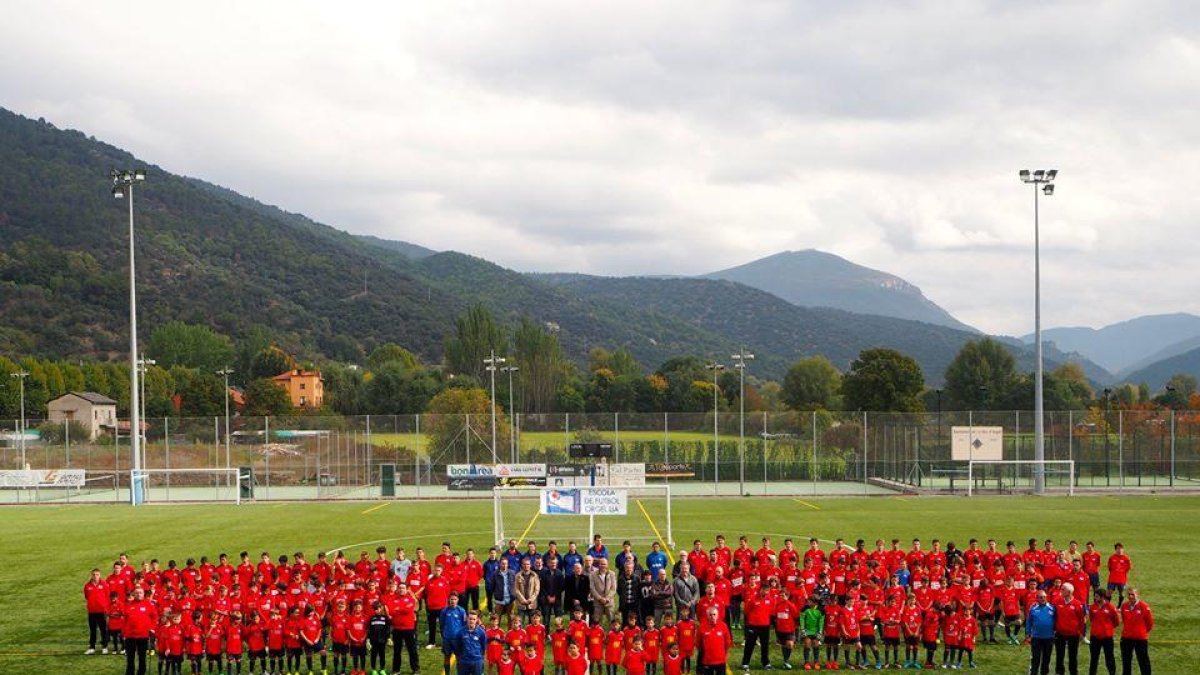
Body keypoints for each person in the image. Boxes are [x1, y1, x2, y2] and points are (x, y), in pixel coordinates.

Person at [123, 586, 158, 675]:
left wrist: (152, 628)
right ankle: (130, 673)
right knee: (130, 657)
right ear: (133, 594)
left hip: (143, 635)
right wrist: (124, 632)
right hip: (130, 635)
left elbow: (155, 617)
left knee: (142, 657)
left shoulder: (148, 604)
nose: (138, 594)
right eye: (137, 593)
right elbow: (124, 619)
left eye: (140, 593)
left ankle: (141, 672)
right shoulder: (128, 605)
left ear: (143, 594)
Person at [1054, 583, 1087, 675]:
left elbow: (1082, 620)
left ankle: (1073, 672)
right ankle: (1059, 672)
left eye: (1063, 589)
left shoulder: (1078, 604)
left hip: (1073, 634)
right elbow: (1053, 616)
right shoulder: (1057, 602)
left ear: (1069, 592)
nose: (1061, 591)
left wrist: (1082, 633)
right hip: (1060, 633)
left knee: (1073, 656)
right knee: (1059, 655)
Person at [1118, 588, 1152, 675]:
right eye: (1129, 594)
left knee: (1143, 661)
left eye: (1132, 594)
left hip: (1140, 639)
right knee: (1126, 661)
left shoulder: (1144, 606)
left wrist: (1141, 632)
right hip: (1126, 638)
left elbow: (1149, 623)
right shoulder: (1124, 606)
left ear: (1137, 595)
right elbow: (1124, 620)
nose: (1130, 596)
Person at [1088, 589, 1119, 675]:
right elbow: (1091, 619)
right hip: (1094, 637)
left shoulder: (1111, 607)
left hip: (1107, 638)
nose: (1095, 598)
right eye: (1095, 596)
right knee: (1094, 659)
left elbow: (1116, 621)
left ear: (1102, 597)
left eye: (1097, 596)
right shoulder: (1092, 607)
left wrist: (1107, 629)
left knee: (1109, 658)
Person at [1027, 590, 1057, 675]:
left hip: (1049, 638)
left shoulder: (1052, 608)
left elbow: (1057, 621)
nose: (1043, 599)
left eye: (1044, 597)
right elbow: (1029, 622)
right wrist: (1028, 634)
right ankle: (1034, 672)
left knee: (1046, 659)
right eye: (1041, 597)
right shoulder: (1033, 609)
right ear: (1037, 598)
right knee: (1035, 658)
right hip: (1036, 638)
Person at [698, 606, 732, 675]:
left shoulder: (723, 626)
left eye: (714, 614)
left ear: (717, 615)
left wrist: (723, 653)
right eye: (710, 615)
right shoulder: (702, 627)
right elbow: (698, 643)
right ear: (707, 616)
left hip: (721, 660)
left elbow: (728, 641)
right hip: (707, 660)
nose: (712, 616)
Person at [84, 568, 111, 655]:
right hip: (92, 612)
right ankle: (92, 647)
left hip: (102, 611)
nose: (95, 576)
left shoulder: (104, 584)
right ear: (91, 575)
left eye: (97, 574)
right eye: (94, 574)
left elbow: (107, 596)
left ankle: (105, 647)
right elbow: (87, 596)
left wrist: (106, 609)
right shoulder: (87, 585)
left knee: (103, 630)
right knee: (93, 630)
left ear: (100, 575)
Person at [441, 593, 469, 675]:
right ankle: (447, 673)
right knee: (447, 657)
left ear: (458, 600)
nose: (453, 601)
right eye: (451, 599)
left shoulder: (461, 611)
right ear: (449, 600)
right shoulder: (444, 611)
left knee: (459, 658)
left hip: (457, 639)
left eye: (455, 599)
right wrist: (444, 635)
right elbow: (442, 624)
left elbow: (464, 624)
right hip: (447, 639)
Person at [456, 611, 488, 675]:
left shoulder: (481, 632)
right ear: (467, 618)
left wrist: (481, 659)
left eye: (474, 619)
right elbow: (457, 647)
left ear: (477, 620)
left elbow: (484, 647)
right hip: (464, 661)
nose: (471, 621)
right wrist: (460, 658)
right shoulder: (460, 632)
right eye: (470, 619)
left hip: (477, 661)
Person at [591, 558, 619, 625]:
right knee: (597, 622)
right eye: (601, 564)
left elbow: (613, 588)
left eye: (604, 564)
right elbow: (592, 588)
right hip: (597, 602)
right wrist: (600, 598)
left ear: (607, 565)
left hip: (609, 602)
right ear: (599, 564)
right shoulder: (593, 574)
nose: (603, 566)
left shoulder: (612, 574)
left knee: (612, 621)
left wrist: (607, 598)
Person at [515, 558, 542, 626]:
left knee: (532, 624)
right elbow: (516, 589)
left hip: (532, 604)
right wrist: (523, 600)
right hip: (521, 603)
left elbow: (537, 589)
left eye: (528, 564)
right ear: (522, 565)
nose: (526, 566)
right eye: (524, 564)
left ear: (530, 565)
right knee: (519, 624)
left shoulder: (535, 575)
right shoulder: (518, 576)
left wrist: (531, 600)